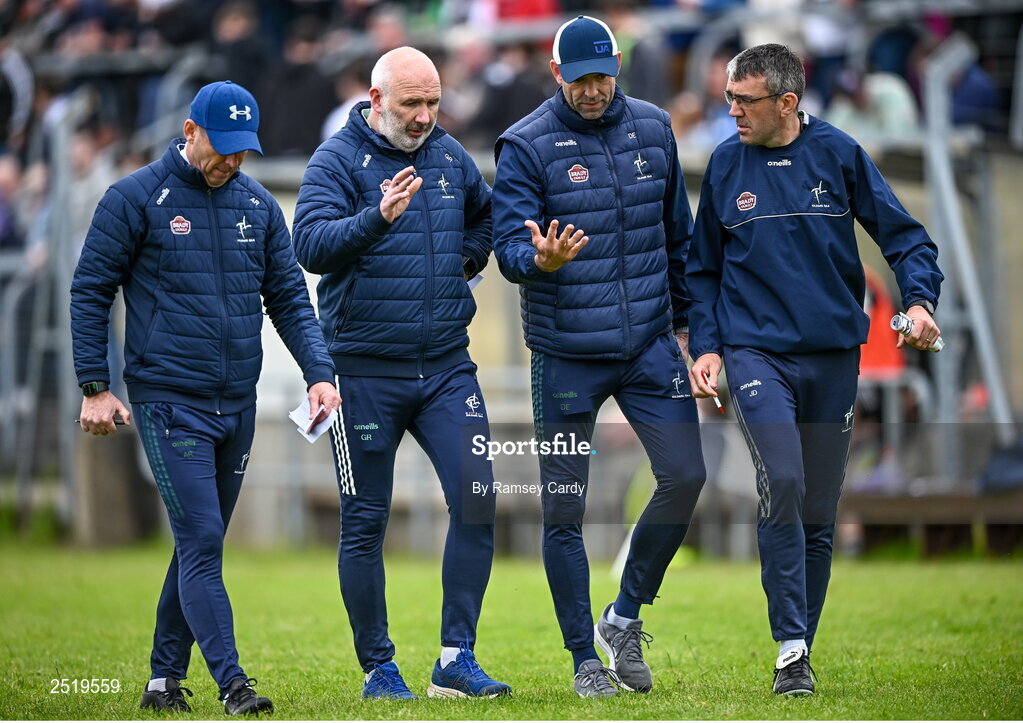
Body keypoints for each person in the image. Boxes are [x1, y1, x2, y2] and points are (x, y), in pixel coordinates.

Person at [70, 80, 341, 715]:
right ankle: (233, 683)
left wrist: (319, 372)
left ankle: (164, 681)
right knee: (203, 540)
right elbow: (89, 291)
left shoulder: (257, 205)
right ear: (190, 132)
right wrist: (95, 386)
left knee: (201, 542)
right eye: (223, 148)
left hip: (237, 404)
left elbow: (291, 300)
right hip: (169, 402)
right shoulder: (134, 198)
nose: (233, 161)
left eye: (244, 151)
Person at [685, 43, 943, 697]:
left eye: (743, 101)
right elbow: (703, 269)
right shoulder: (723, 164)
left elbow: (905, 236)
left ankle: (799, 647)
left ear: (786, 102)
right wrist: (708, 346)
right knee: (786, 476)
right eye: (728, 98)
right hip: (753, 353)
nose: (731, 110)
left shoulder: (839, 155)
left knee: (820, 513)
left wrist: (918, 300)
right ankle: (789, 647)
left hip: (831, 355)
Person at [492, 15, 706, 698]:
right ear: (556, 74)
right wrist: (538, 259)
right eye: (579, 79)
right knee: (565, 510)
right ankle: (584, 657)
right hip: (565, 354)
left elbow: (679, 240)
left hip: (647, 345)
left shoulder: (652, 126)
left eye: (601, 77)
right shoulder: (525, 144)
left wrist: (690, 335)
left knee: (686, 475)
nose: (592, 91)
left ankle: (623, 613)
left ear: (617, 65)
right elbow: (507, 249)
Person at [292, 46, 511, 700]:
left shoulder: (448, 156)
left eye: (433, 103)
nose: (423, 117)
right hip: (361, 372)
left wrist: (463, 261)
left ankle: (454, 659)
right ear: (375, 98)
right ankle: (378, 668)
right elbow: (309, 245)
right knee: (365, 521)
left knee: (478, 497)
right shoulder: (336, 160)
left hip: (445, 366)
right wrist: (375, 218)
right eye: (411, 104)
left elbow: (486, 213)